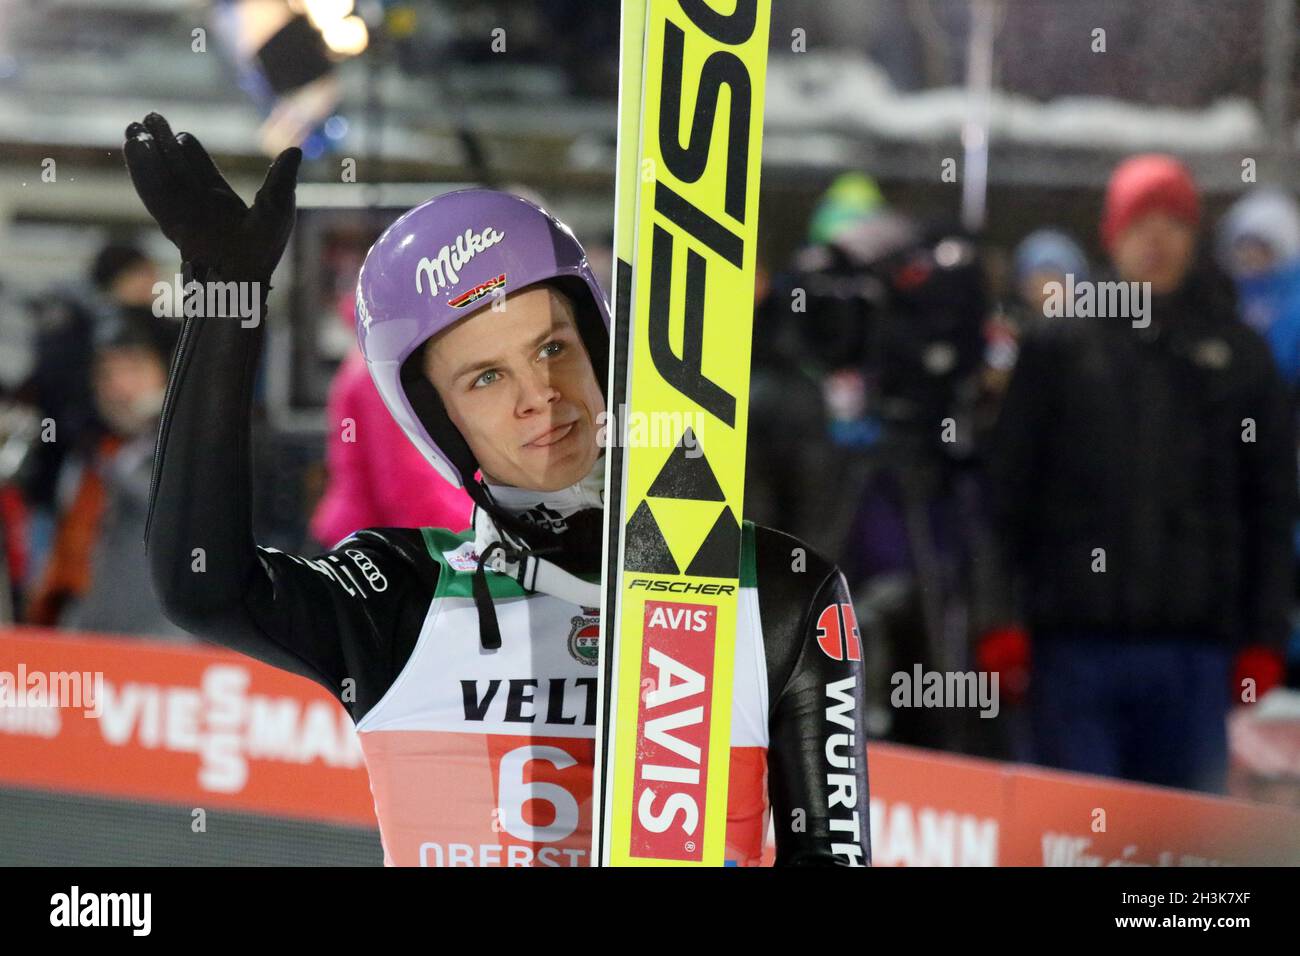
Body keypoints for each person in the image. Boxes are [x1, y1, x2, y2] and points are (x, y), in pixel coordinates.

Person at [125, 113, 870, 866]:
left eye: (554, 348)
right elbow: (203, 585)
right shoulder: (401, 594)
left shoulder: (778, 592)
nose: (540, 395)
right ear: (438, 423)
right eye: (486, 378)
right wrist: (228, 300)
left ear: (601, 352)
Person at [990, 154, 1296, 794]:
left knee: (1181, 856)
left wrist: (1265, 635)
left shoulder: (1239, 356)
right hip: (1073, 649)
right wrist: (999, 620)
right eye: (1141, 223)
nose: (1156, 241)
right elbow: (1006, 494)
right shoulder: (1058, 346)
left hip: (1194, 657)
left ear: (1194, 237)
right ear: (1113, 232)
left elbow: (1269, 503)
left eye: (1174, 223)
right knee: (1077, 839)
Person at [25, 314, 189, 640]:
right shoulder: (89, 458)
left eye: (134, 369)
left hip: (167, 652)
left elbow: (173, 509)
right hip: (90, 640)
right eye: (106, 375)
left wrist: (168, 415)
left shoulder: (189, 451)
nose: (118, 387)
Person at [1216, 187, 1300, 389]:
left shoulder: (1292, 302)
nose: (1249, 255)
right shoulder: (1227, 295)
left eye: (1259, 247)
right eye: (1243, 246)